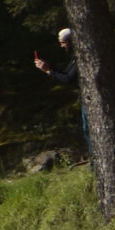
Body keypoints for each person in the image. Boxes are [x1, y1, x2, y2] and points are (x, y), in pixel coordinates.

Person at [34, 27, 93, 160]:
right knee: (87, 130)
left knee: (89, 130)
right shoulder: (76, 57)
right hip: (85, 97)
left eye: (63, 42)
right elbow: (66, 74)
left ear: (72, 41)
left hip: (89, 98)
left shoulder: (81, 57)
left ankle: (95, 161)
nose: (61, 46)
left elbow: (68, 79)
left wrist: (48, 71)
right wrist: (49, 69)